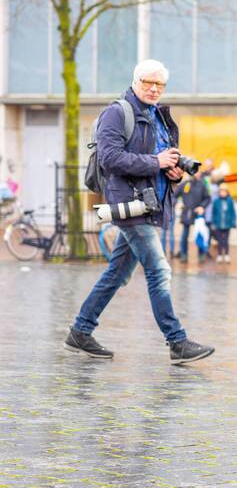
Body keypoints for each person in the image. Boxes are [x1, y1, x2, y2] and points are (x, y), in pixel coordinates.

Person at [64, 59, 214, 364]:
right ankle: (177, 341)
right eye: (149, 82)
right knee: (159, 271)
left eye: (160, 84)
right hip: (129, 205)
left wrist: (172, 173)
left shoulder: (160, 116)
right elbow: (110, 159)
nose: (155, 89)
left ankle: (80, 331)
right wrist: (156, 163)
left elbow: (161, 161)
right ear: (135, 81)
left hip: (152, 204)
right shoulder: (117, 113)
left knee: (116, 274)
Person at [174, 169, 211, 263]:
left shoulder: (202, 185)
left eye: (198, 172)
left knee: (200, 234)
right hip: (186, 213)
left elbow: (207, 198)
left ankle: (201, 254)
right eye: (195, 172)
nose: (197, 174)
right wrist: (178, 203)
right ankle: (184, 254)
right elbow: (174, 195)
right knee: (184, 235)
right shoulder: (185, 184)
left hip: (198, 214)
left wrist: (202, 207)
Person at [210, 183, 237, 263]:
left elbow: (233, 212)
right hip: (218, 224)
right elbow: (214, 212)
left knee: (226, 240)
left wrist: (233, 222)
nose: (223, 193)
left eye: (224, 191)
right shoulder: (216, 201)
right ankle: (219, 255)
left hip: (227, 224)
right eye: (221, 191)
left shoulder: (230, 201)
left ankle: (226, 254)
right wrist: (213, 222)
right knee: (219, 240)